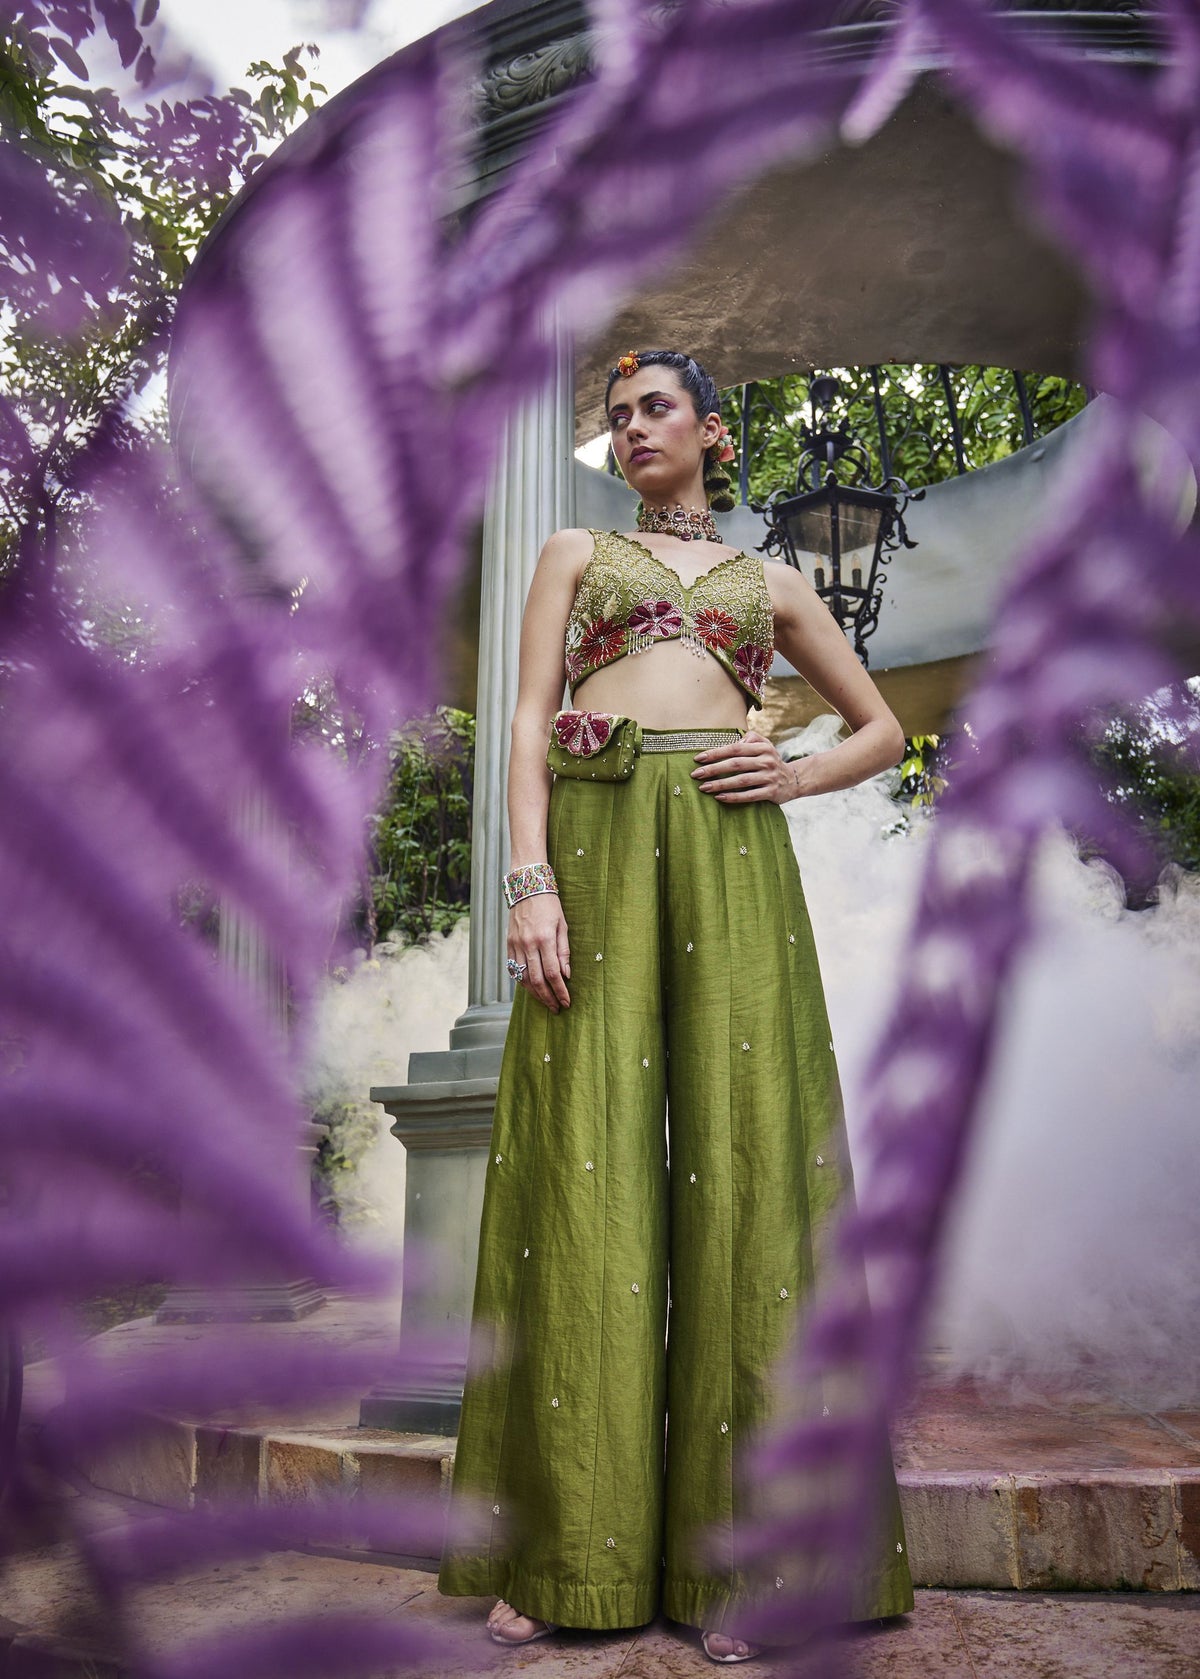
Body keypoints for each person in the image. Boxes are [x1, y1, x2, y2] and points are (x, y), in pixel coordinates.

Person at [437, 349, 914, 1660]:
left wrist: (793, 775)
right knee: (577, 1191)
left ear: (709, 430)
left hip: (730, 855)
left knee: (755, 1184)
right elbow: (526, 724)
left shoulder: (773, 584)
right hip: (589, 855)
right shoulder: (575, 552)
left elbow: (880, 728)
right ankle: (562, 1557)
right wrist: (528, 883)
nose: (632, 426)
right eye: (617, 414)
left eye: (657, 409)